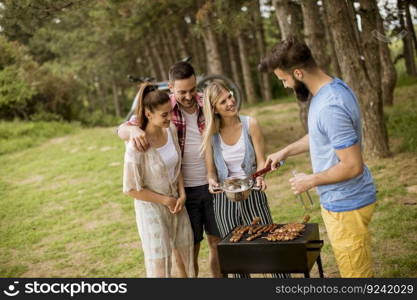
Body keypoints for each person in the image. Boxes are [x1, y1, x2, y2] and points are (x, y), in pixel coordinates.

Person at [259, 37, 377, 278]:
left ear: (299, 73)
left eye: (284, 80)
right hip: (344, 200)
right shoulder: (330, 90)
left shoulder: (330, 106)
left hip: (346, 204)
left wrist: (310, 180)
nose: (284, 86)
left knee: (357, 277)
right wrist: (286, 151)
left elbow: (353, 165)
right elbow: (320, 135)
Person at [118, 62, 222, 277]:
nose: (188, 96)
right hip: (185, 194)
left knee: (218, 243)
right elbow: (125, 127)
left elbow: (231, 117)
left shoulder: (206, 103)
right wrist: (132, 131)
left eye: (192, 89)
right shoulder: (164, 107)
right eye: (182, 91)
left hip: (211, 186)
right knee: (186, 250)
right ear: (171, 87)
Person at [201, 80, 289, 278]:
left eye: (230, 96)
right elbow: (211, 172)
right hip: (225, 198)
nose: (230, 102)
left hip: (253, 192)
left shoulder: (251, 124)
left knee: (269, 244)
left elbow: (260, 161)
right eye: (223, 102)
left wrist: (261, 176)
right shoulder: (210, 135)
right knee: (234, 253)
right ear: (214, 109)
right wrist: (212, 182)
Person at [123, 83, 194, 278]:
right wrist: (165, 200)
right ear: (148, 114)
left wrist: (182, 194)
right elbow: (130, 189)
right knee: (160, 268)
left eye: (170, 112)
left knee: (186, 256)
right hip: (152, 209)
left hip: (177, 204)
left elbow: (176, 166)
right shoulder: (136, 145)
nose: (170, 118)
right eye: (164, 115)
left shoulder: (170, 130)